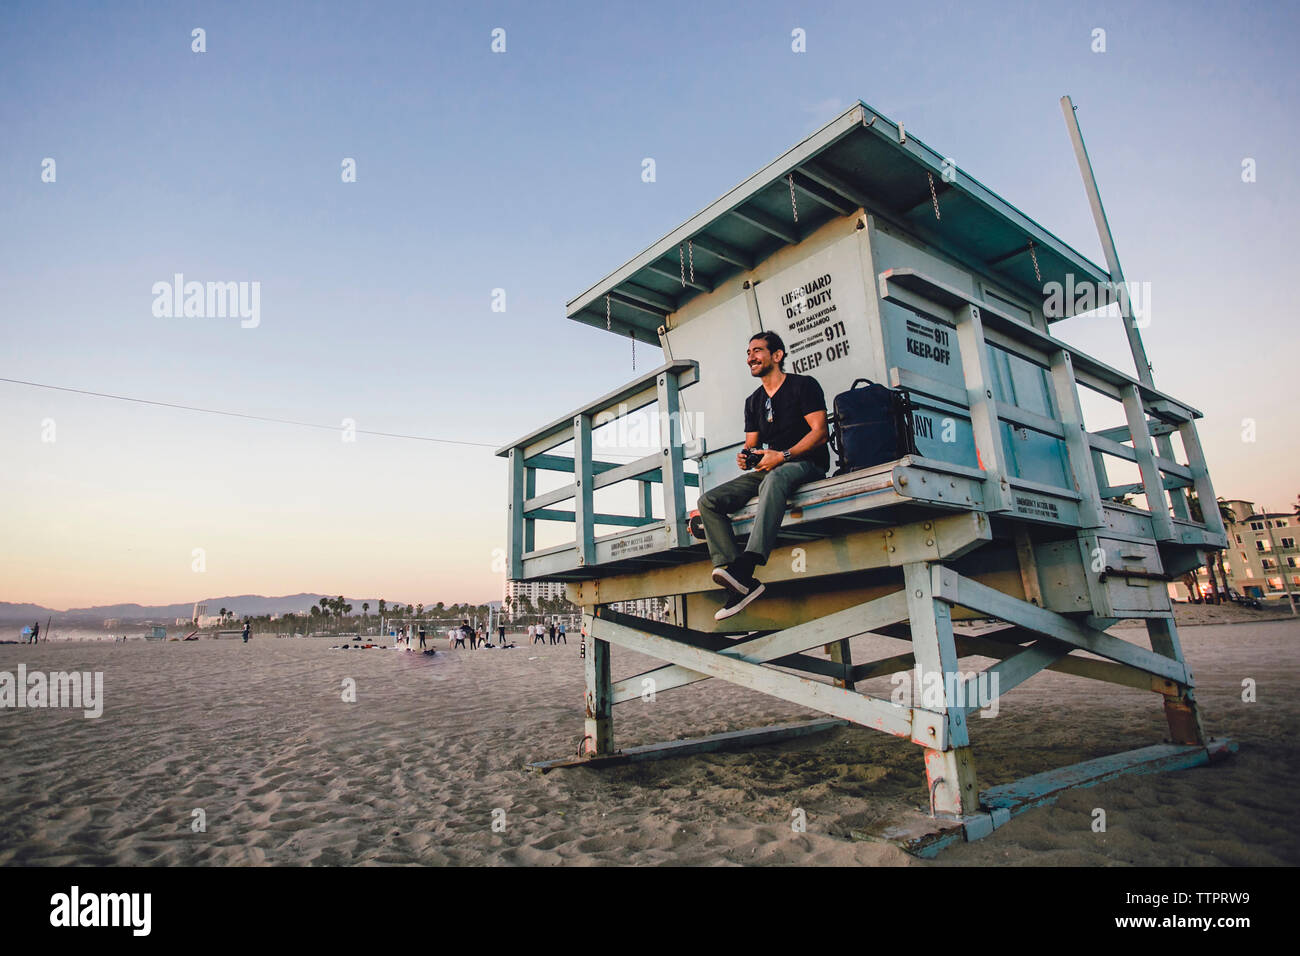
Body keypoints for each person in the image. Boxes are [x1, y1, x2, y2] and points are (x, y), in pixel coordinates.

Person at [696, 331, 829, 621]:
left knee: (774, 478)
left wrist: (783, 456)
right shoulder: (753, 401)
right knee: (708, 501)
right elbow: (752, 445)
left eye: (757, 351)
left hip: (806, 464)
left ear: (777, 355)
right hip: (770, 467)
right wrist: (746, 457)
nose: (750, 358)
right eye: (748, 353)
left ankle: (749, 562)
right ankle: (738, 579)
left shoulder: (803, 385)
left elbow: (820, 433)